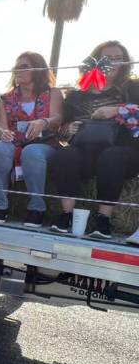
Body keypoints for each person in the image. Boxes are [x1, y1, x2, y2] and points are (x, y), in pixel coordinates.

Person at [49, 41, 139, 239]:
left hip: (124, 151)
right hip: (86, 150)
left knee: (111, 157)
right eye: (108, 58)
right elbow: (61, 132)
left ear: (125, 63)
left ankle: (103, 219)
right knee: (65, 155)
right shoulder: (76, 95)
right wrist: (67, 129)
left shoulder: (133, 87)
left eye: (118, 59)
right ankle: (67, 215)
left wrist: (116, 110)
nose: (113, 63)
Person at [0, 52, 63, 226]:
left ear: (39, 69)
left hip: (46, 145)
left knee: (31, 152)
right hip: (15, 144)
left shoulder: (53, 93)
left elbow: (58, 119)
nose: (18, 71)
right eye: (17, 67)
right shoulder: (5, 98)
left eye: (25, 67)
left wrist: (44, 122)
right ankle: (0, 206)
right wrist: (3, 133)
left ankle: (37, 208)